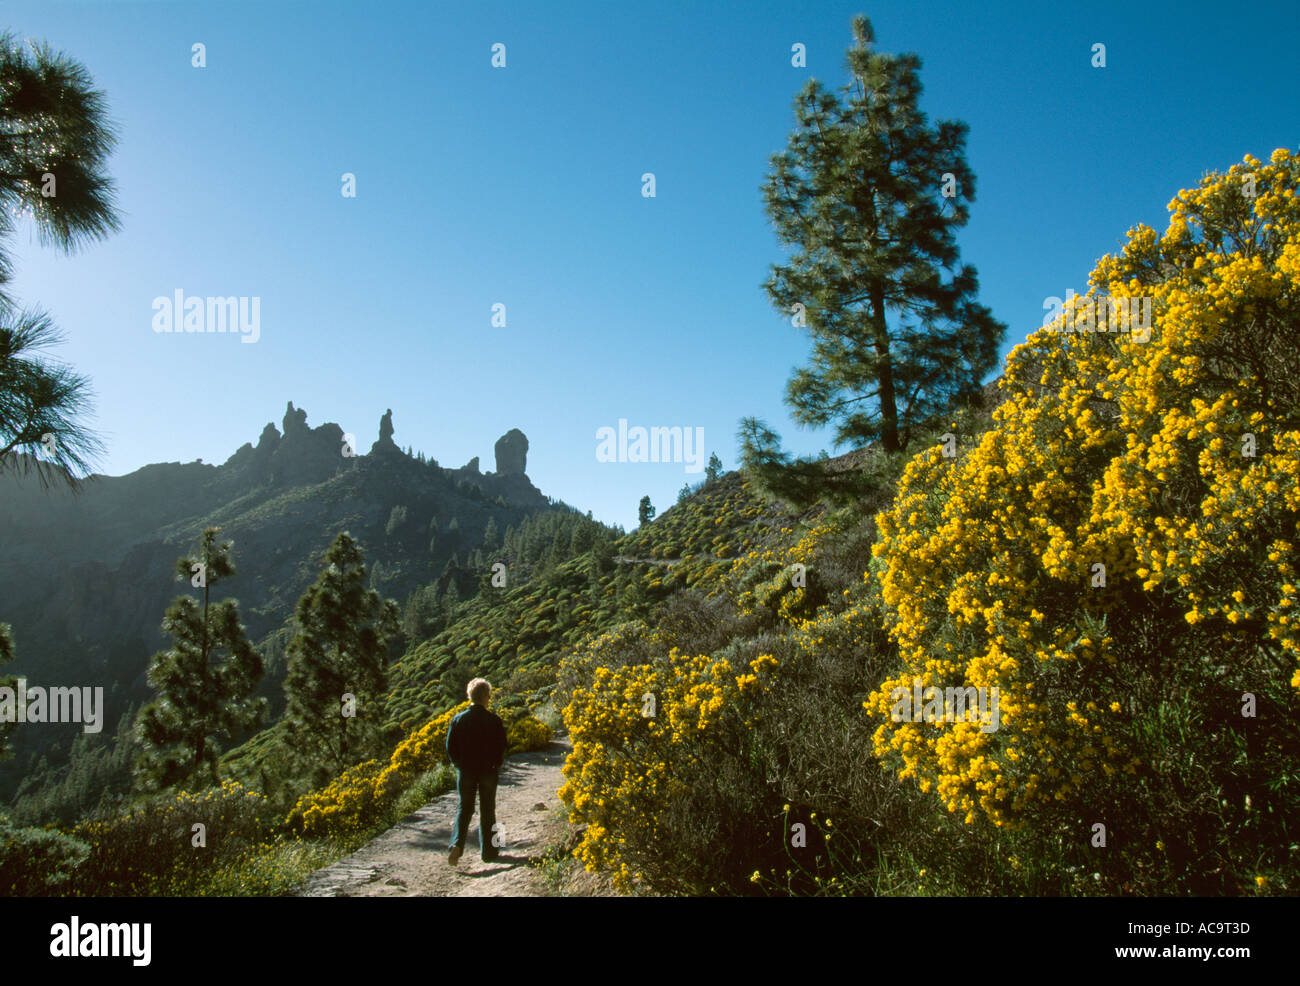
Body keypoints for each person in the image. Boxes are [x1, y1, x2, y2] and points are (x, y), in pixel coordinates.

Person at [445, 677, 508, 865]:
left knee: (464, 808)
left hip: (466, 771)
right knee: (488, 809)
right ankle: (489, 853)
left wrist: (459, 764)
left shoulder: (458, 720)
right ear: (486, 697)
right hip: (488, 770)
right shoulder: (494, 720)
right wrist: (495, 763)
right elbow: (502, 745)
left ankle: (456, 844)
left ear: (469, 696)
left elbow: (450, 747)